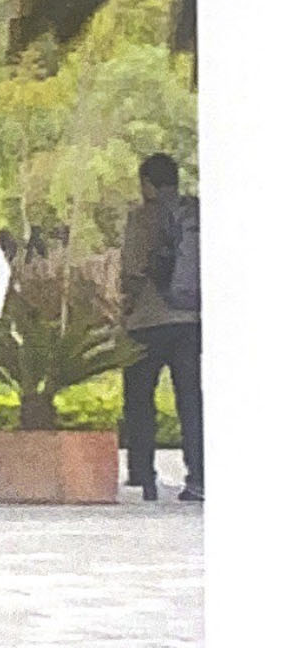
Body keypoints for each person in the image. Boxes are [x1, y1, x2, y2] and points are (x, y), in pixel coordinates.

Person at [119, 153, 203, 502]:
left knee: (140, 401)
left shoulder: (143, 218)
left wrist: (125, 307)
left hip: (147, 322)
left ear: (147, 184)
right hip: (188, 322)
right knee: (191, 401)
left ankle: (143, 475)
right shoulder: (192, 213)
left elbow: (133, 270)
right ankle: (198, 477)